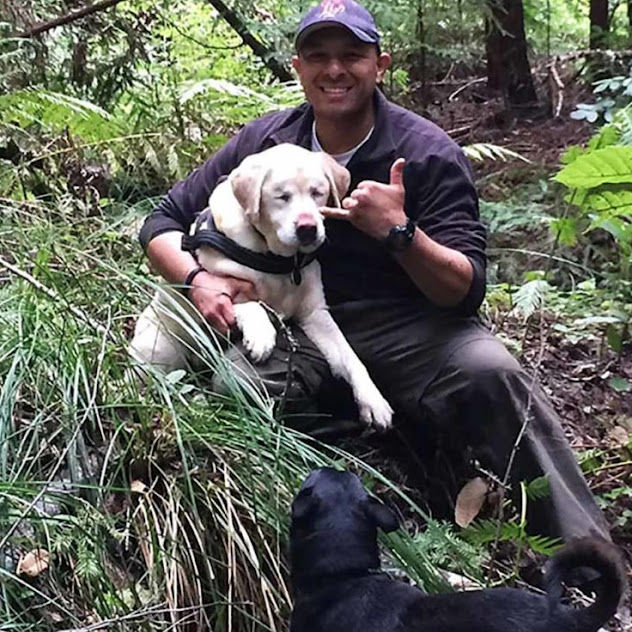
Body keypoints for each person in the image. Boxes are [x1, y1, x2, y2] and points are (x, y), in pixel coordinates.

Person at [138, 0, 609, 542]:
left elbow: (465, 290)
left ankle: (587, 558)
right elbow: (162, 222)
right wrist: (198, 280)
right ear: (298, 68)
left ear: (380, 65)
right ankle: (266, 535)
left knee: (491, 373)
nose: (334, 69)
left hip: (406, 323)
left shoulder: (424, 152)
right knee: (237, 387)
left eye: (352, 55)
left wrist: (400, 233)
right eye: (319, 56)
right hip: (298, 323)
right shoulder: (264, 147)